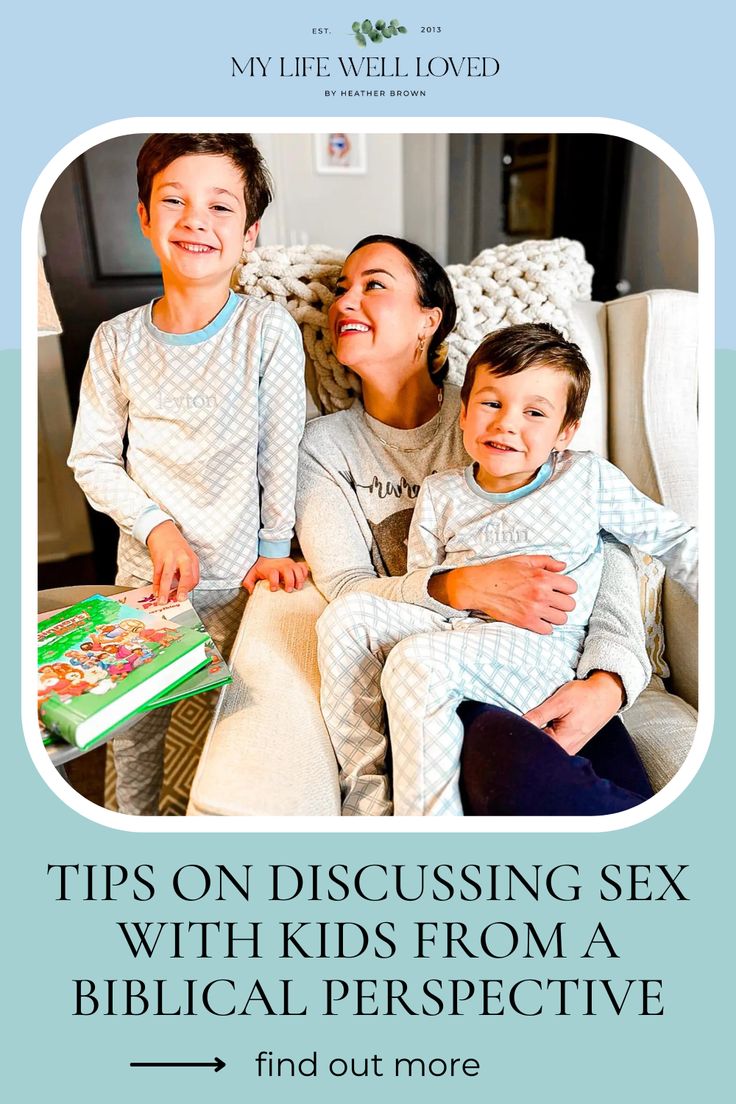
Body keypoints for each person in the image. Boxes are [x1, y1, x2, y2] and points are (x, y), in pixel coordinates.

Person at [296, 234, 656, 817]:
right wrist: (458, 585)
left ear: (428, 320)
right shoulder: (323, 447)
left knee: (573, 787)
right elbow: (345, 592)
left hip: (544, 654)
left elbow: (603, 542)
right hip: (428, 660)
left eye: (374, 286)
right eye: (341, 290)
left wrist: (610, 679)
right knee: (504, 771)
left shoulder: (503, 406)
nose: (344, 303)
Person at [68, 133, 308, 815]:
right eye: (173, 201)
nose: (195, 220)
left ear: (250, 232)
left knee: (227, 736)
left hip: (240, 582)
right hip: (147, 582)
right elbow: (92, 459)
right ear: (145, 217)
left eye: (220, 207)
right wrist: (156, 527)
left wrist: (273, 551)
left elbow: (281, 450)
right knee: (134, 734)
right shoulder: (115, 341)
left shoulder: (267, 332)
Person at [378, 323, 697, 815]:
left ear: (564, 433)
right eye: (491, 404)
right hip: (459, 668)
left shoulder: (585, 479)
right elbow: (426, 594)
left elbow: (676, 541)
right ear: (462, 412)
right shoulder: (441, 494)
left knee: (599, 791)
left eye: (534, 413)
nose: (506, 424)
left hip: (552, 666)